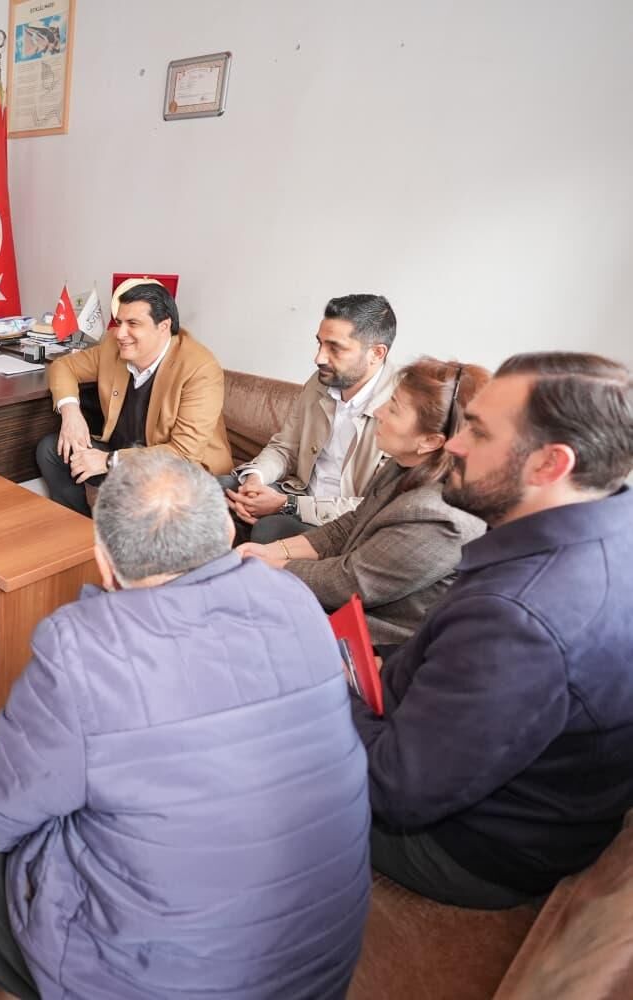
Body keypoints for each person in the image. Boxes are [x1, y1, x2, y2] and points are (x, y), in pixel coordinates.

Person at [0, 451, 371, 1000]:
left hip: (149, 983)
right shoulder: (296, 600)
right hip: (316, 972)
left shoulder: (82, 648)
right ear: (229, 531)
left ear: (103, 564)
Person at [355, 352, 633, 910]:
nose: (455, 444)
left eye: (478, 432)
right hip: (474, 775)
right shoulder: (607, 522)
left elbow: (391, 789)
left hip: (464, 847)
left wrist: (329, 690)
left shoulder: (519, 617)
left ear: (549, 464)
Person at [240, 358, 488, 645]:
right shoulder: (402, 465)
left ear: (430, 441)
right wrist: (272, 552)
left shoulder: (441, 518)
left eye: (393, 409)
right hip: (346, 595)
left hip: (378, 640)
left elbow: (351, 582)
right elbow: (350, 524)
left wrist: (272, 566)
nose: (379, 412)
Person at [36, 278, 232, 516]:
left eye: (133, 324)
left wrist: (108, 461)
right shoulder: (113, 345)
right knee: (51, 450)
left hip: (179, 472)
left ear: (163, 326)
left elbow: (183, 454)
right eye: (119, 322)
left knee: (146, 492)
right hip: (125, 453)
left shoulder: (199, 368)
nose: (120, 333)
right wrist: (71, 414)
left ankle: (112, 531)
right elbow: (63, 366)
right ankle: (83, 526)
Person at [223, 293, 399, 543]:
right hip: (298, 493)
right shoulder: (319, 383)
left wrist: (287, 504)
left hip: (341, 521)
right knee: (216, 492)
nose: (319, 358)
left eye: (335, 348)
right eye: (320, 344)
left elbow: (375, 505)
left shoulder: (403, 408)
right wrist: (255, 479)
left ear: (376, 353)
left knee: (270, 529)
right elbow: (285, 447)